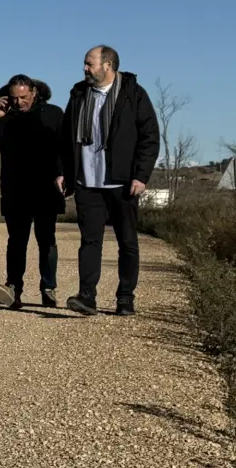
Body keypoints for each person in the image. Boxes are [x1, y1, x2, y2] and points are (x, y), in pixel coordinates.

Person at [57, 45, 159, 317]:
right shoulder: (79, 94)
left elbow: (149, 136)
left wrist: (141, 175)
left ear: (107, 65)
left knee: (127, 242)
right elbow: (65, 138)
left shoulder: (133, 94)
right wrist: (62, 171)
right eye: (85, 64)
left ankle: (125, 298)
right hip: (87, 182)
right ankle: (86, 296)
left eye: (89, 64)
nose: (85, 69)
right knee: (90, 241)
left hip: (121, 182)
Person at [0, 75, 65, 310]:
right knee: (17, 242)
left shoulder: (53, 114)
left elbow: (64, 148)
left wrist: (63, 174)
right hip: (15, 189)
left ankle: (48, 288)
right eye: (14, 98)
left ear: (34, 92)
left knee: (47, 240)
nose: (19, 102)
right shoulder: (4, 117)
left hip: (45, 188)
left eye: (23, 97)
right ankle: (13, 289)